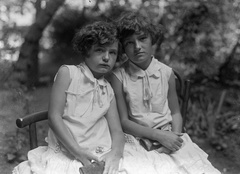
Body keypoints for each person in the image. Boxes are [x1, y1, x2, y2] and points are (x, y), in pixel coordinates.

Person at [13, 21, 138, 174]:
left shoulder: (108, 89)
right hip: (68, 150)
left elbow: (117, 130)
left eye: (112, 52)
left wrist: (115, 154)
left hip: (100, 151)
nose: (107, 57)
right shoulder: (69, 73)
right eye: (100, 50)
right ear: (86, 51)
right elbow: (54, 117)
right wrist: (78, 152)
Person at [109, 11, 221, 174]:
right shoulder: (118, 76)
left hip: (169, 133)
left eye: (142, 39)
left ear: (152, 39)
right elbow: (124, 121)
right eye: (129, 43)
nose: (137, 47)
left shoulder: (166, 73)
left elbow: (175, 112)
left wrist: (173, 137)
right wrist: (158, 136)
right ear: (123, 47)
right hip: (136, 138)